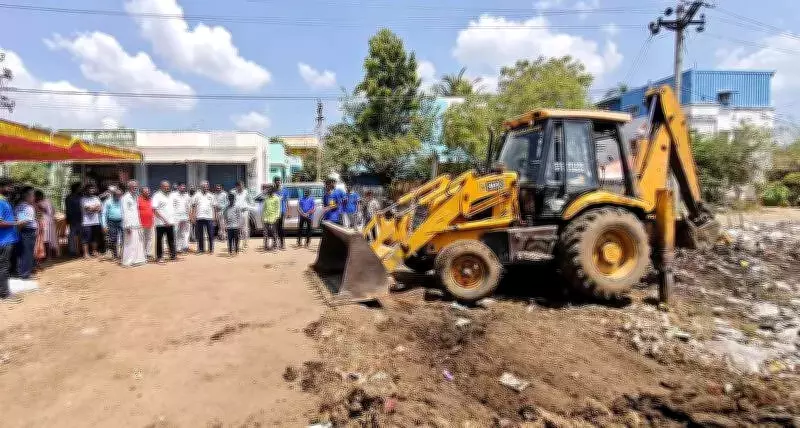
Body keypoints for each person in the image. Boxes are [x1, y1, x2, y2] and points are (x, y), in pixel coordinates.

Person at [0, 178, 21, 300]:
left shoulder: (4, 201)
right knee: (3, 267)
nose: (11, 189)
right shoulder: (1, 202)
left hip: (7, 239)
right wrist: (15, 223)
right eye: (9, 186)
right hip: (3, 240)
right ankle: (4, 293)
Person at [121, 180, 146, 267]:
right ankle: (127, 262)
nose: (136, 188)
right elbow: (125, 212)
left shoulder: (135, 196)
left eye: (136, 186)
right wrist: (127, 225)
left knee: (138, 242)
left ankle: (137, 260)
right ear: (129, 187)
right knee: (129, 244)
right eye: (134, 186)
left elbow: (136, 211)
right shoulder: (125, 197)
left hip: (136, 224)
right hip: (129, 225)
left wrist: (140, 223)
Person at [14, 187, 37, 279]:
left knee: (22, 252)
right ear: (27, 196)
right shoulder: (27, 207)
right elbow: (23, 222)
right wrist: (18, 230)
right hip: (27, 232)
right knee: (27, 252)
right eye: (32, 195)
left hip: (24, 231)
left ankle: (22, 272)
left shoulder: (20, 206)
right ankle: (25, 274)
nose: (34, 197)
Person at [152, 180, 177, 263]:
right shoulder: (156, 195)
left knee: (171, 240)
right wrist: (164, 220)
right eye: (165, 186)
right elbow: (154, 210)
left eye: (168, 186)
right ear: (161, 187)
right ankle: (159, 257)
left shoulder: (171, 195)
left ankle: (173, 256)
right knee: (159, 240)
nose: (167, 188)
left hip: (170, 222)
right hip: (160, 223)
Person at [191, 181, 216, 254]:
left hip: (209, 218)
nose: (205, 187)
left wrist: (214, 217)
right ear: (201, 187)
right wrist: (193, 217)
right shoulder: (196, 195)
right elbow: (193, 206)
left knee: (210, 234)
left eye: (207, 186)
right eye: (204, 186)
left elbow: (214, 207)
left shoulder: (211, 195)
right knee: (200, 235)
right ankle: (201, 249)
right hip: (199, 217)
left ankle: (211, 249)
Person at [80, 184, 103, 258]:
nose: (91, 190)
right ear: (86, 190)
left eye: (92, 189)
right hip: (86, 222)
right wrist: (94, 208)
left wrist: (92, 208)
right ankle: (86, 253)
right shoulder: (83, 199)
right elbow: (87, 209)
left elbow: (100, 209)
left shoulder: (96, 198)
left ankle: (94, 251)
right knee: (86, 238)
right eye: (90, 189)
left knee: (95, 237)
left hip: (96, 221)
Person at [101, 186, 123, 260]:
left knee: (124, 238)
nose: (119, 196)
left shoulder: (122, 201)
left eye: (120, 195)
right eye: (117, 195)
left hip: (122, 221)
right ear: (113, 194)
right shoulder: (107, 201)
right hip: (111, 222)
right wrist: (104, 225)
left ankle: (123, 254)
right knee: (113, 239)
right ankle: (115, 255)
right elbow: (104, 214)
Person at [36, 189, 57, 258]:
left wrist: (39, 206)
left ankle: (47, 255)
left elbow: (46, 210)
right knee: (50, 238)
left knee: (46, 239)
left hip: (45, 222)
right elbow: (53, 211)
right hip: (50, 221)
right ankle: (51, 255)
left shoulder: (41, 202)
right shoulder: (48, 201)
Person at [231, 181, 252, 249]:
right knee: (236, 228)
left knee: (245, 228)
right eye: (239, 185)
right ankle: (236, 244)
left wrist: (247, 207)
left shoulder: (246, 192)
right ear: (236, 186)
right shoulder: (233, 192)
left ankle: (245, 243)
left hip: (244, 212)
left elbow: (251, 201)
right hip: (236, 213)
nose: (241, 187)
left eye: (242, 185)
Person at [64, 182, 83, 256]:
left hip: (80, 218)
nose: (81, 189)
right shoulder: (69, 197)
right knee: (72, 234)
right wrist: (68, 219)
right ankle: (72, 251)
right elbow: (68, 209)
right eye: (79, 187)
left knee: (80, 234)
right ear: (76, 188)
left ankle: (79, 250)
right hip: (73, 218)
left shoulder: (81, 196)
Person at [172, 183, 191, 253]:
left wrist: (190, 216)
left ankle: (185, 246)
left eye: (184, 187)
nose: (183, 188)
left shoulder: (187, 195)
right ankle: (177, 248)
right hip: (176, 217)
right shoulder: (173, 195)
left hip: (185, 217)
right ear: (178, 187)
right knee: (176, 232)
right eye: (182, 186)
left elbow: (189, 207)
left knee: (185, 232)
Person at [261, 185, 281, 251]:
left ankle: (275, 246)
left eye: (269, 191)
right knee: (265, 233)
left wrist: (277, 217)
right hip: (266, 218)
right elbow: (264, 208)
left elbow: (278, 209)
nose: (268, 192)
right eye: (268, 191)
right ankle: (266, 246)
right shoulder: (266, 198)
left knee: (274, 233)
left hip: (273, 218)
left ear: (272, 192)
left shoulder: (277, 198)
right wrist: (263, 217)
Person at [138, 187, 155, 260]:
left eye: (148, 191)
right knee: (142, 239)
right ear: (142, 192)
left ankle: (148, 253)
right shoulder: (138, 200)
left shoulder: (151, 200)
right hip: (141, 223)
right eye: (146, 192)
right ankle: (142, 253)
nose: (148, 193)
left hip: (150, 223)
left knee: (149, 238)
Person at [273, 177, 287, 250]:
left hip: (281, 211)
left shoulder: (284, 190)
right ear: (274, 182)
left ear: (280, 181)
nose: (278, 182)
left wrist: (287, 211)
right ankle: (275, 243)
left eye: (279, 180)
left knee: (281, 228)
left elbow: (286, 201)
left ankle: (282, 244)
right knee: (275, 228)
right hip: (274, 212)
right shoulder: (273, 190)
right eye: (276, 181)